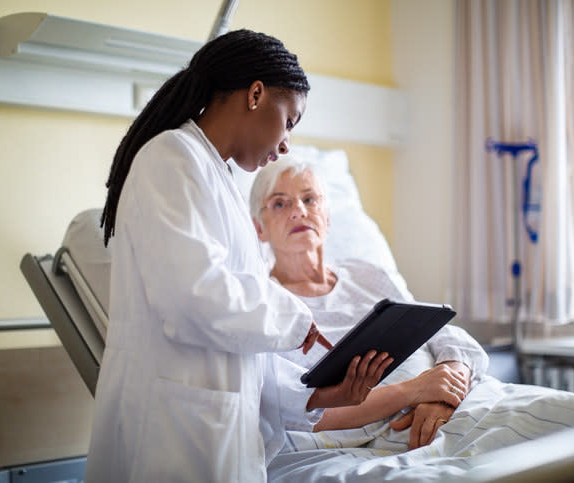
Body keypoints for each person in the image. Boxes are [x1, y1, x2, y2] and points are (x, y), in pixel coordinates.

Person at [84, 30, 393, 483]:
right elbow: (194, 300)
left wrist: (323, 394)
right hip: (171, 438)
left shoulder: (218, 178)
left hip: (211, 428)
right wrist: (295, 315)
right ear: (255, 95)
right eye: (290, 121)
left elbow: (242, 349)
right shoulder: (171, 158)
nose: (286, 143)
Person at [249, 156, 490, 450]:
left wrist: (445, 392)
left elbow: (445, 336)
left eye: (309, 199)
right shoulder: (260, 304)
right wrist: (415, 391)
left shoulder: (369, 275)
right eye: (280, 203)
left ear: (327, 215)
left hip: (452, 402)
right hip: (371, 429)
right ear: (258, 228)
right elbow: (292, 407)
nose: (299, 211)